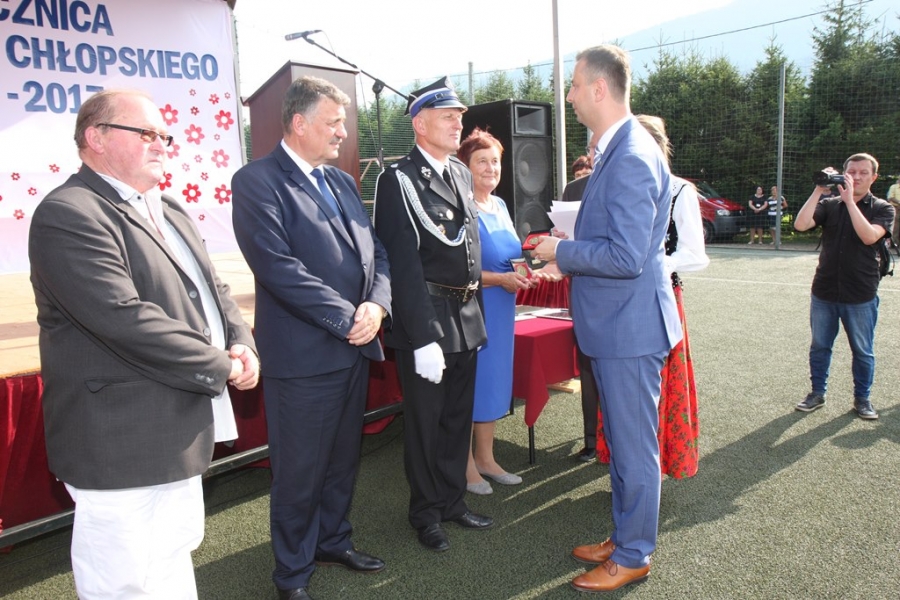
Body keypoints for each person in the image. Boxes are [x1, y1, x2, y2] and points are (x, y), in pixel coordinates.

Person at [28, 89, 260, 599]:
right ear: (96, 138)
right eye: (147, 133)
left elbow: (213, 289)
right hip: (119, 438)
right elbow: (123, 317)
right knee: (122, 580)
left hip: (176, 427)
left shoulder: (168, 207)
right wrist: (219, 363)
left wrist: (242, 342)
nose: (161, 144)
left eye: (165, 136)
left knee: (172, 557)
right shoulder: (69, 212)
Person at [231, 76, 391, 600]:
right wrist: (348, 318)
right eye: (333, 122)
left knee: (342, 461)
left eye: (344, 122)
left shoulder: (341, 182)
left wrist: (376, 305)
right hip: (303, 359)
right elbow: (278, 267)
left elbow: (376, 253)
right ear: (299, 123)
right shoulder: (257, 182)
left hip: (353, 349)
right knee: (299, 472)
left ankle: (332, 541)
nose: (343, 132)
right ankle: (292, 574)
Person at [533, 45, 682, 592]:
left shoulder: (633, 154)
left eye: (574, 85)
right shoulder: (621, 148)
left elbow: (626, 256)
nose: (569, 95)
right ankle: (624, 538)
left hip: (630, 328)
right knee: (622, 441)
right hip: (620, 324)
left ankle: (635, 554)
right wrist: (571, 248)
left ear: (599, 88)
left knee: (634, 448)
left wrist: (560, 250)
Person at [373, 77, 493, 553]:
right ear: (420, 125)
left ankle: (451, 501)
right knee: (425, 423)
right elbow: (402, 263)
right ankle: (425, 514)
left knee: (457, 419)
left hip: (465, 313)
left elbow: (468, 249)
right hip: (428, 319)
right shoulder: (398, 180)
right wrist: (422, 336)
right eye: (448, 117)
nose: (457, 124)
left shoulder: (460, 173)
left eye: (459, 117)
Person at [591, 114, 709, 478]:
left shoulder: (679, 190)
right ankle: (626, 468)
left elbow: (695, 254)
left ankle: (650, 471)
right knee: (620, 385)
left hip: (659, 298)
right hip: (618, 298)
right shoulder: (619, 185)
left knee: (656, 385)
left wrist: (655, 262)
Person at [456, 128, 531, 495]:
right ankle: (465, 466)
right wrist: (500, 279)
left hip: (503, 309)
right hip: (474, 309)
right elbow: (457, 269)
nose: (490, 168)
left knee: (494, 384)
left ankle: (485, 458)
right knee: (472, 386)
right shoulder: (460, 206)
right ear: (464, 166)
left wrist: (528, 269)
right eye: (481, 161)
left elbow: (510, 256)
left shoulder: (499, 205)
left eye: (495, 161)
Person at [793, 154, 893, 421]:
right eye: (851, 172)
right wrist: (819, 190)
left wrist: (849, 202)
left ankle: (862, 399)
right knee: (820, 346)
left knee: (862, 350)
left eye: (863, 173)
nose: (856, 177)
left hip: (860, 293)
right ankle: (817, 393)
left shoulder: (883, 208)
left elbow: (869, 236)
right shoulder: (829, 204)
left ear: (873, 177)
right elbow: (800, 225)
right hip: (824, 290)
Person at [560, 134, 603, 463]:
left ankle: (621, 445)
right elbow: (564, 239)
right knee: (588, 371)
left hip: (627, 298)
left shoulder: (634, 179)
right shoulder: (574, 190)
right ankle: (592, 441)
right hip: (585, 294)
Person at [886, 179, 900, 249]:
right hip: (896, 208)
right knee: (895, 227)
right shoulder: (894, 187)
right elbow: (890, 197)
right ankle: (894, 244)